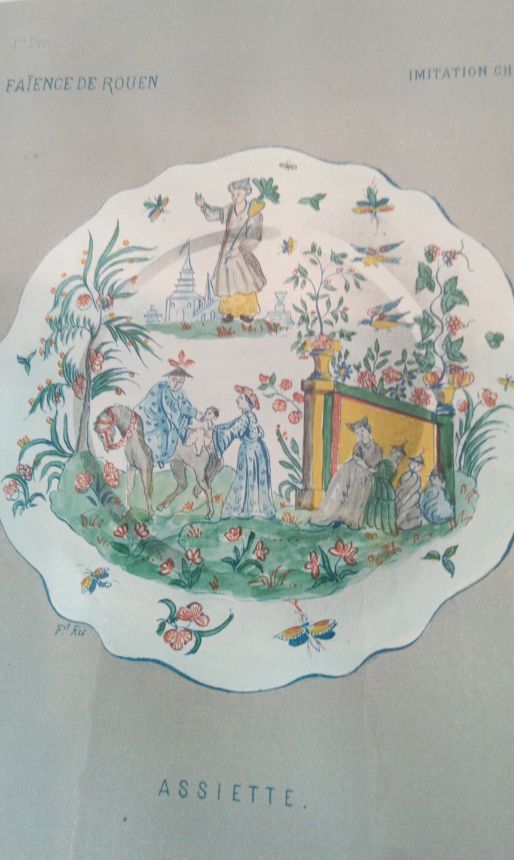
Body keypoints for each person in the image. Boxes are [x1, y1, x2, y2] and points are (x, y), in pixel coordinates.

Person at [195, 178, 266, 323]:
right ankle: (229, 311)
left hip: (242, 253)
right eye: (233, 194)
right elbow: (216, 214)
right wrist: (204, 206)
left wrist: (240, 249)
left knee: (244, 281)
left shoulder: (254, 212)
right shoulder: (229, 209)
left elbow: (255, 236)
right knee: (227, 282)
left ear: (246, 193)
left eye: (238, 194)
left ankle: (246, 311)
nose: (235, 197)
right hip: (227, 251)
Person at [213, 385, 275, 519]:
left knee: (247, 477)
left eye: (241, 398)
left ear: (248, 403)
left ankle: (247, 510)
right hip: (257, 450)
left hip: (250, 452)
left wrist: (217, 431)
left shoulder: (246, 417)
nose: (237, 400)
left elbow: (233, 430)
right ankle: (255, 508)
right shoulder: (249, 416)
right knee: (253, 478)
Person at [310, 416, 383, 528]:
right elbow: (357, 460)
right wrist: (365, 468)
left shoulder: (377, 448)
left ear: (368, 430)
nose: (360, 435)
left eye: (362, 431)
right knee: (342, 477)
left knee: (359, 478)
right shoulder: (358, 446)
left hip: (367, 477)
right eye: (357, 433)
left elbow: (377, 467)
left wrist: (368, 470)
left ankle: (350, 518)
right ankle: (328, 513)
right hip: (353, 472)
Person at [138, 366, 197, 468]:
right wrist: (179, 421)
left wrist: (195, 413)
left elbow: (184, 407)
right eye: (174, 380)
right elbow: (170, 408)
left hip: (165, 416)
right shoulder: (163, 389)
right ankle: (157, 457)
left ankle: (163, 456)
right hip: (152, 415)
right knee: (165, 429)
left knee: (173, 427)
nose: (176, 384)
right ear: (169, 378)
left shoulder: (180, 393)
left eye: (180, 382)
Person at [364, 445, 406, 534]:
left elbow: (387, 476)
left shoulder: (393, 465)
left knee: (387, 501)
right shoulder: (384, 460)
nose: (397, 457)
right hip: (376, 483)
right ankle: (371, 523)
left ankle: (385, 525)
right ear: (393, 452)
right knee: (374, 502)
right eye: (396, 454)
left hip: (384, 485)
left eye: (399, 456)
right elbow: (376, 470)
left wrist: (374, 472)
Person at [396, 453, 424, 531]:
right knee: (400, 510)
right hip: (402, 496)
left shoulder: (417, 479)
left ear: (420, 467)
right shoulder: (406, 474)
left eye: (417, 465)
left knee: (408, 512)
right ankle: (400, 524)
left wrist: (406, 497)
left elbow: (413, 490)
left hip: (411, 499)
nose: (414, 466)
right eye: (413, 463)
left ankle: (409, 524)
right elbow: (401, 485)